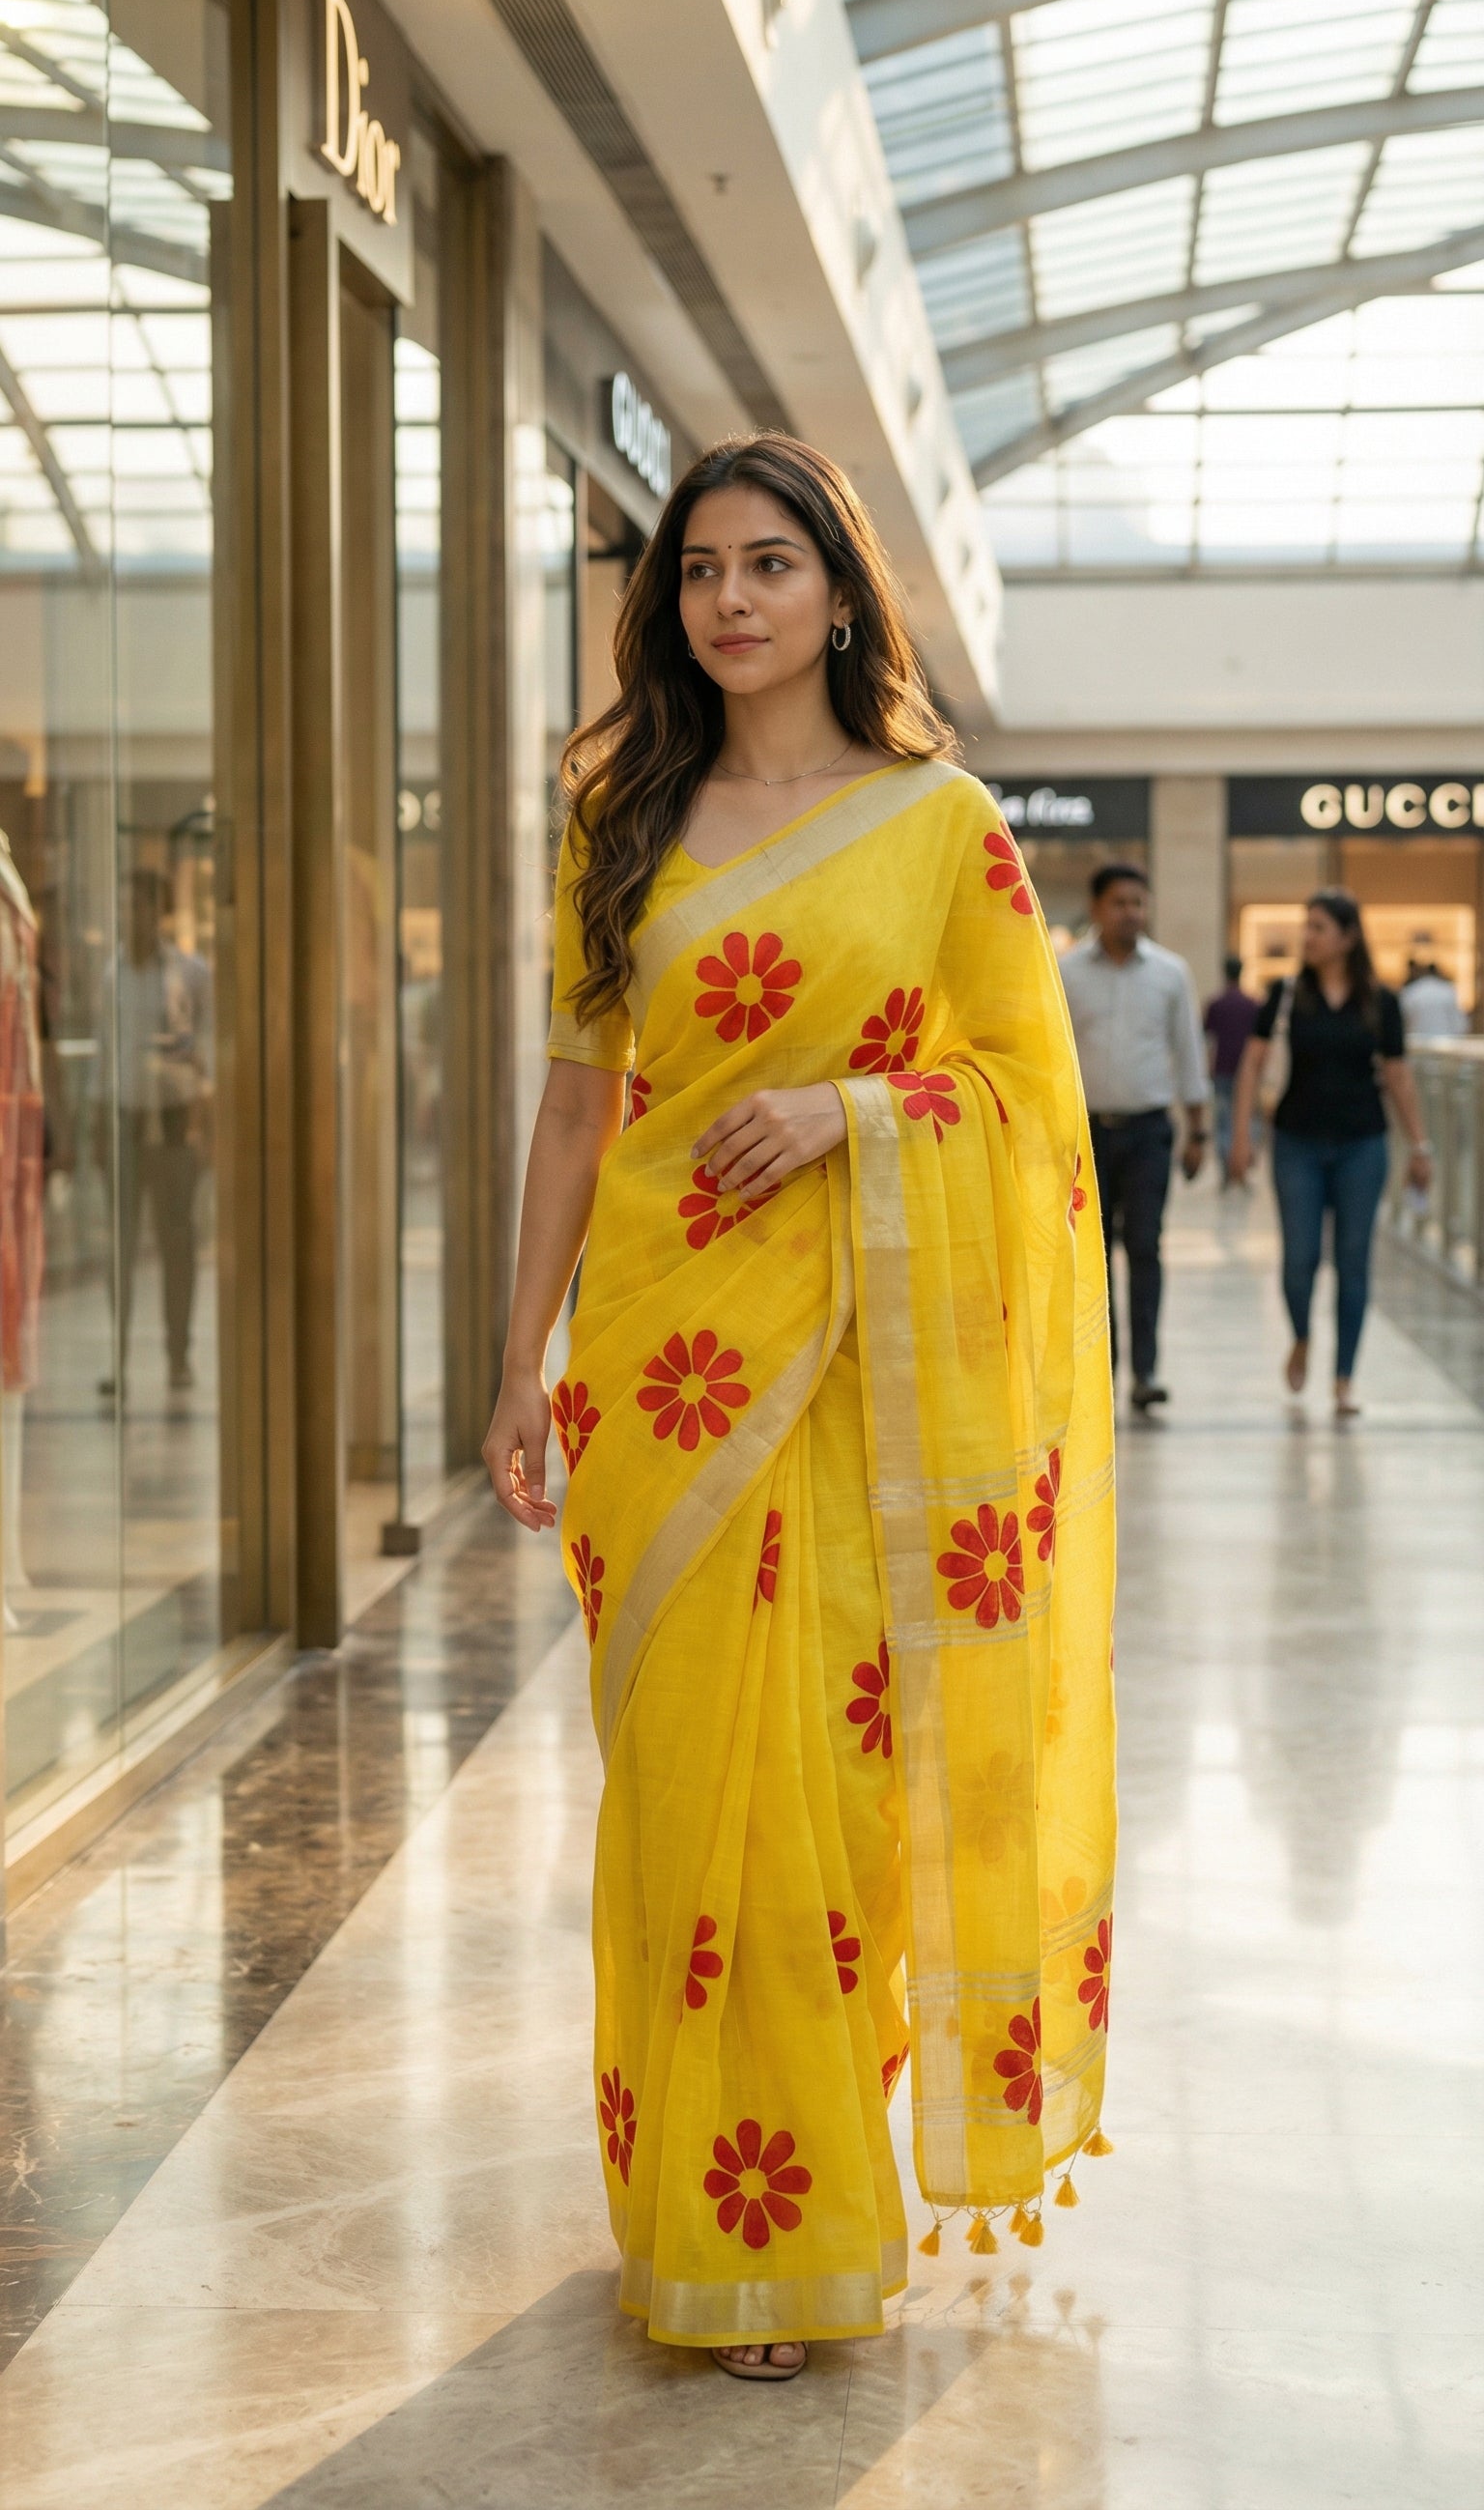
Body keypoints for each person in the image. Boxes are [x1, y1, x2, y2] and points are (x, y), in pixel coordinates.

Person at [482, 436, 1116, 2382]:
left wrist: (852, 1112)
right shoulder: (621, 813)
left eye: (772, 564)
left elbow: (1032, 1112)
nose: (732, 600)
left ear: (844, 591)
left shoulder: (943, 828)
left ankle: (805, 2220)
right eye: (698, 570)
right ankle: (698, 2204)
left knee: (827, 1793)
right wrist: (519, 1358)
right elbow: (584, 1102)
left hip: (851, 1375)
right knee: (682, 1795)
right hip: (666, 1361)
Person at [1228, 890, 1431, 1416]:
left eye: (1318, 927)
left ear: (1348, 937)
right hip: (1296, 1141)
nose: (1307, 937)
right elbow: (1252, 1065)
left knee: (1353, 1262)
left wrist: (1420, 1146)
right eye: (1307, 927)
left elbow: (1398, 1075)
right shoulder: (1286, 993)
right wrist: (1244, 1136)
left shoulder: (1380, 1002)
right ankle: (1300, 1336)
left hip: (1363, 1144)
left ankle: (1344, 1378)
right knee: (1299, 1259)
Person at [1059, 864, 1210, 1412]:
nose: (1131, 913)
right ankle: (1104, 1371)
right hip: (1087, 1135)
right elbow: (1053, 1056)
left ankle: (1145, 1372)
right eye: (1121, 903)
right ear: (1098, 908)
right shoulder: (1066, 972)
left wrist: (1198, 1129)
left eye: (1139, 903)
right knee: (1092, 1255)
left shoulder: (1170, 973)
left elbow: (1188, 1052)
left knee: (1145, 1245)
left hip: (1149, 1131)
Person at [95, 870, 213, 1398]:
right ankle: (117, 1356)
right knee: (119, 1245)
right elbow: (103, 1055)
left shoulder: (189, 972)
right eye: (126, 906)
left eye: (140, 906)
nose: (132, 917)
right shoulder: (111, 974)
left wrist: (202, 1119)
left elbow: (208, 1049)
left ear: (157, 913)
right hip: (125, 1116)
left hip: (172, 1119)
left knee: (177, 1243)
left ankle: (178, 1353)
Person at [1204, 955, 1259, 1178]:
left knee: (1224, 1119)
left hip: (1223, 1069)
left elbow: (1208, 1040)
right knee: (1245, 1118)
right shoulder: (1252, 1005)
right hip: (1244, 1070)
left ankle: (1228, 1166)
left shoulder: (1217, 1004)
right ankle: (1242, 1165)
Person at [1399, 957, 1467, 1044]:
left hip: (1418, 1045)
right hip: (1445, 1044)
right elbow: (1460, 1025)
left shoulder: (1410, 992)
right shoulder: (1448, 991)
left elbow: (1403, 1023)